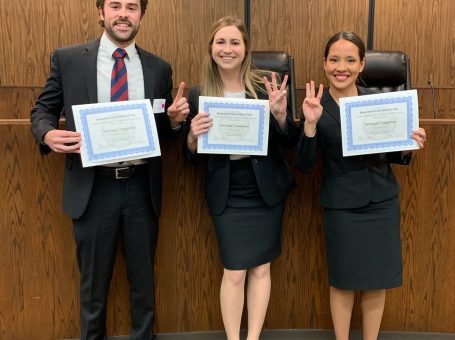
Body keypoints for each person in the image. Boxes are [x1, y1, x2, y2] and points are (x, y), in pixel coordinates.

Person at [30, 0, 189, 338]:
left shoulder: (160, 69)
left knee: (144, 287)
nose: (123, 14)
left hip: (141, 188)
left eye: (132, 7)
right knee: (93, 289)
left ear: (141, 15)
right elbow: (42, 110)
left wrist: (174, 123)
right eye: (115, 5)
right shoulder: (69, 59)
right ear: (100, 12)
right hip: (93, 188)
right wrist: (47, 133)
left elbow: (159, 133)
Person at [295, 31, 426, 340]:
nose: (342, 67)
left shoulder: (378, 102)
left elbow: (390, 152)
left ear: (362, 64)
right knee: (343, 281)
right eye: (335, 60)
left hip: (381, 201)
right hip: (342, 205)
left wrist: (408, 146)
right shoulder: (316, 104)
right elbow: (303, 165)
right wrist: (310, 125)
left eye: (351, 60)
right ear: (324, 63)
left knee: (376, 280)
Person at [184, 16, 299, 340]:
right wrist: (192, 136)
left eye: (235, 42)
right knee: (234, 271)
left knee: (262, 268)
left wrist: (280, 116)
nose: (227, 48)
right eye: (221, 42)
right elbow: (190, 156)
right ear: (211, 49)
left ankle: (253, 337)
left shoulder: (266, 87)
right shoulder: (198, 94)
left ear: (245, 49)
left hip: (264, 189)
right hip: (227, 190)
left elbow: (290, 141)